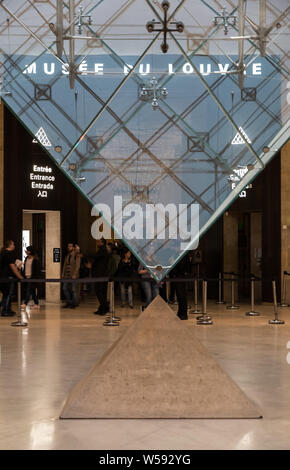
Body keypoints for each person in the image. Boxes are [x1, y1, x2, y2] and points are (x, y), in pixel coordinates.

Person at [0, 240, 23, 317]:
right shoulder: (9, 254)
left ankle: (7, 309)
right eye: (13, 244)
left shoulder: (2, 253)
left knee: (5, 294)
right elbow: (12, 267)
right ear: (10, 245)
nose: (14, 245)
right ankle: (5, 311)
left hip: (2, 277)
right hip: (8, 277)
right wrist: (19, 276)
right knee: (8, 294)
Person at [92, 238, 110, 315]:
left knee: (98, 291)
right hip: (102, 274)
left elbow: (95, 256)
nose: (97, 243)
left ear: (102, 243)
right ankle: (102, 308)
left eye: (98, 242)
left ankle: (105, 307)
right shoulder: (103, 250)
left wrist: (83, 254)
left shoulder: (102, 250)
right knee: (102, 292)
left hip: (101, 274)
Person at [170, 255, 190, 320]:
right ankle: (180, 313)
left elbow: (182, 267)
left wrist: (173, 262)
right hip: (178, 276)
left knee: (181, 296)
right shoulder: (180, 255)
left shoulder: (183, 255)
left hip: (180, 277)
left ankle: (183, 314)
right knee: (180, 296)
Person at [62, 243, 80, 309]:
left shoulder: (76, 255)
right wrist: (63, 274)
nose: (69, 247)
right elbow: (65, 265)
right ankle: (69, 302)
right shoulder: (67, 255)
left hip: (73, 275)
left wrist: (75, 274)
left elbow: (78, 266)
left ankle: (74, 303)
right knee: (64, 288)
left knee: (74, 290)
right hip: (67, 275)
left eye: (70, 246)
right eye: (68, 246)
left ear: (73, 247)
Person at [21, 246, 41, 310]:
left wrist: (36, 279)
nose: (26, 251)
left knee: (28, 290)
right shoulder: (26, 258)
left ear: (31, 251)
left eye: (27, 250)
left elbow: (37, 270)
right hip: (26, 277)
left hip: (32, 278)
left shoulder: (36, 259)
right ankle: (36, 304)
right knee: (32, 291)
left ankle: (25, 303)